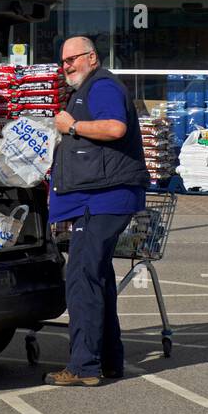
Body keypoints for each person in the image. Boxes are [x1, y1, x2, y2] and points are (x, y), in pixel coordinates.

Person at [44, 35, 149, 387]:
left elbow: (114, 127)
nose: (66, 66)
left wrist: (71, 126)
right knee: (98, 278)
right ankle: (108, 361)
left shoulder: (102, 86)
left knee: (81, 277)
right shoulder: (85, 89)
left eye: (72, 59)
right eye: (63, 61)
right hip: (98, 198)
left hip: (105, 199)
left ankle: (83, 366)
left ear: (91, 57)